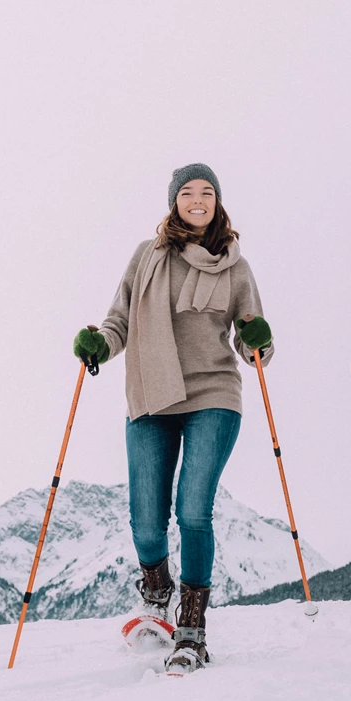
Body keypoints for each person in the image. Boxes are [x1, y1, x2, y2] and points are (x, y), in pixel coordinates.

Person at [73, 163, 273, 673]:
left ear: (218, 201)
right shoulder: (147, 257)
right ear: (174, 202)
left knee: (193, 511)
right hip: (151, 395)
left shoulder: (236, 268)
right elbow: (118, 321)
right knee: (146, 522)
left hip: (214, 395)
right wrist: (100, 344)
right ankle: (156, 593)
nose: (198, 200)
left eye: (207, 192)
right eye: (188, 192)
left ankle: (192, 629)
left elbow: (256, 345)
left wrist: (259, 342)